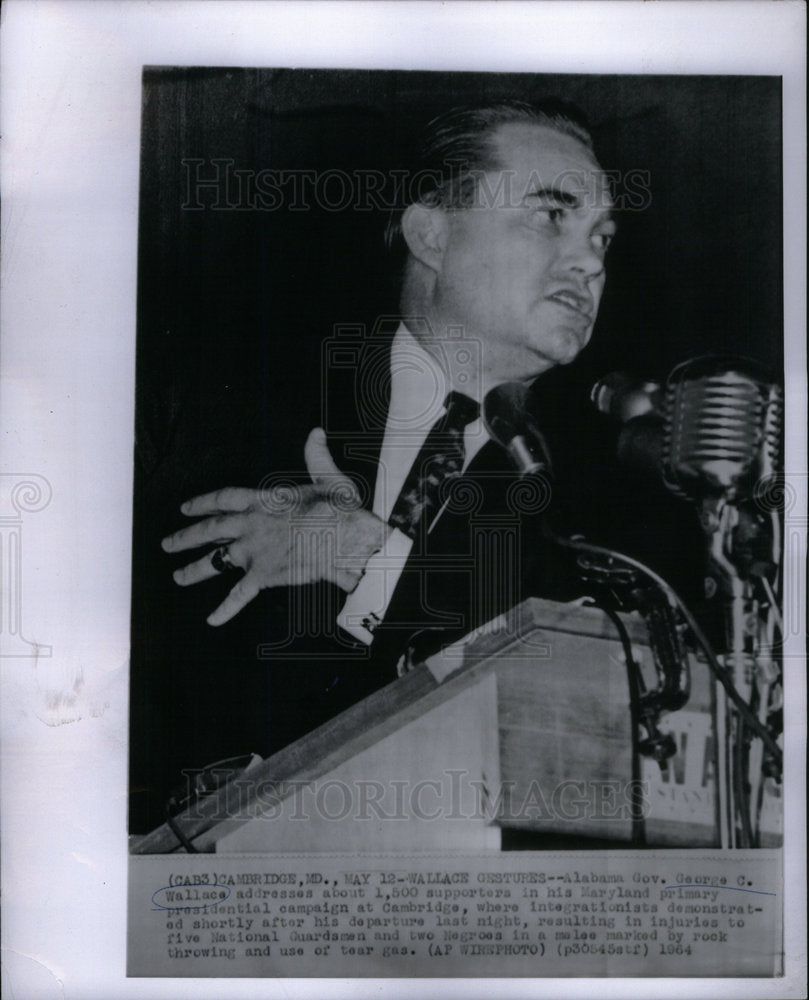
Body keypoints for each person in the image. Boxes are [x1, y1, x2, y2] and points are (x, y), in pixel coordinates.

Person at [161, 100, 615, 641]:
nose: (591, 262)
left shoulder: (610, 494)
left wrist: (373, 559)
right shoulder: (223, 393)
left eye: (602, 236)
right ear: (432, 237)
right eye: (552, 215)